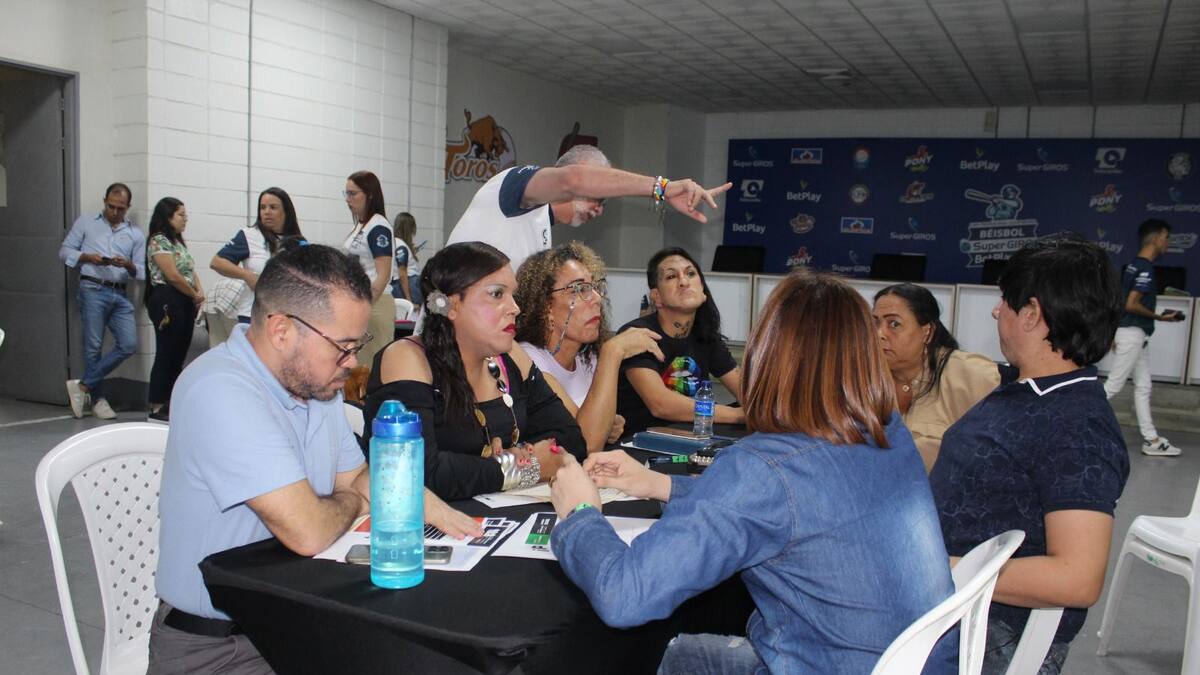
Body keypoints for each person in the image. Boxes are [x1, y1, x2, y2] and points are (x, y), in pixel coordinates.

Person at [548, 270, 956, 674]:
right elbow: (793, 507)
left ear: (769, 354)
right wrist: (661, 484)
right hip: (910, 660)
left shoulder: (765, 468)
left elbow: (624, 595)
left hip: (824, 663)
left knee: (658, 655)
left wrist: (581, 512)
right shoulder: (888, 431)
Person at [150, 243, 481, 675]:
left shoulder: (316, 386)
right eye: (342, 346)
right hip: (220, 648)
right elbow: (309, 530)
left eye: (357, 344)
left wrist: (406, 499)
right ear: (282, 330)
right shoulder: (219, 389)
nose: (353, 362)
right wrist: (363, 500)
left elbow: (358, 476)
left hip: (299, 621)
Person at [930, 234, 1130, 674]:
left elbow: (1077, 577)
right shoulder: (1030, 390)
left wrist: (942, 568)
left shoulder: (1077, 426)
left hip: (981, 635)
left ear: (1032, 314)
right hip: (952, 611)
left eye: (1004, 299)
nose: (996, 310)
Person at [362, 241, 587, 501]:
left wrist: (508, 460)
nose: (515, 308)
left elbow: (571, 438)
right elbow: (417, 472)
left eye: (513, 295)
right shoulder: (407, 358)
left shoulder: (510, 356)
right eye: (497, 294)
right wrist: (519, 468)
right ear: (451, 305)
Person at [447, 144, 731, 272]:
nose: (600, 210)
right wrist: (662, 189)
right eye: (598, 196)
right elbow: (574, 180)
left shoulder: (541, 226)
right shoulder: (510, 187)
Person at [514, 242, 663, 452]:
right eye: (580, 289)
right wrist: (612, 352)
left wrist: (609, 423)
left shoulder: (586, 357)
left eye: (594, 287)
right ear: (546, 306)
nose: (597, 298)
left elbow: (594, 425)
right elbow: (586, 445)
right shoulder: (527, 359)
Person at [872, 283, 1000, 471]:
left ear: (927, 331)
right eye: (875, 323)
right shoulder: (864, 380)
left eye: (894, 324)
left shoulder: (970, 375)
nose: (879, 334)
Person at [615, 247, 743, 435]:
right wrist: (738, 415)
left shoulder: (706, 335)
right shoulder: (638, 335)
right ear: (656, 296)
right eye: (671, 277)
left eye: (690, 274)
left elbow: (746, 391)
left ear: (703, 290)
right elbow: (661, 404)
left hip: (695, 438)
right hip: (643, 444)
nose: (684, 282)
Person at [60, 182, 145, 420]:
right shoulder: (87, 223)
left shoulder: (135, 234)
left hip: (120, 292)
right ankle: (98, 399)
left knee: (128, 344)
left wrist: (127, 264)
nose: (115, 212)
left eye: (121, 208)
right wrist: (87, 257)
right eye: (111, 206)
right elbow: (64, 251)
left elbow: (141, 271)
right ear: (104, 201)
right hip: (92, 288)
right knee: (93, 347)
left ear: (128, 207)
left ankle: (82, 386)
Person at [1103, 218, 1186, 456]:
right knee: (1113, 386)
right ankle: (1066, 424)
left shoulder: (1131, 266)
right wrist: (1161, 317)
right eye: (1167, 237)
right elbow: (1131, 304)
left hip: (1133, 334)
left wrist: (1113, 332)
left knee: (1143, 386)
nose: (1167, 242)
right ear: (1157, 237)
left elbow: (1119, 303)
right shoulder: (1146, 269)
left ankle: (1151, 439)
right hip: (1133, 334)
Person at [145, 197, 205, 422]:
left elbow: (189, 270)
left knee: (179, 353)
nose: (185, 218)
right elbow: (172, 275)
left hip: (185, 299)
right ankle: (157, 403)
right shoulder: (159, 240)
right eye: (180, 214)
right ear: (167, 216)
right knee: (167, 352)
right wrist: (193, 294)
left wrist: (199, 290)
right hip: (168, 298)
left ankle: (172, 403)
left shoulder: (178, 242)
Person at [210, 187, 303, 326]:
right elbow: (217, 262)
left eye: (273, 207)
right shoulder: (250, 235)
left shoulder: (298, 242)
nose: (266, 212)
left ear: (286, 212)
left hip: (286, 316)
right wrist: (247, 275)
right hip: (252, 316)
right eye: (262, 207)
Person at [342, 170, 396, 366]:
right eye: (346, 193)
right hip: (360, 301)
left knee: (370, 366)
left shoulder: (378, 227)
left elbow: (383, 275)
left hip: (375, 304)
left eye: (353, 194)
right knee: (356, 366)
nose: (348, 199)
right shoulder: (362, 225)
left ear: (370, 195)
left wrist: (365, 306)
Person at [390, 211, 423, 306]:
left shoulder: (393, 243)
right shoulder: (401, 246)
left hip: (397, 285)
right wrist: (409, 301)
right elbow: (402, 274)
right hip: (409, 285)